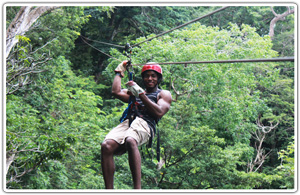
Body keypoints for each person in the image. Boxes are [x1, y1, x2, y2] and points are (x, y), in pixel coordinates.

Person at [101, 60, 172, 189]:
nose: (150, 78)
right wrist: (119, 72)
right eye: (146, 76)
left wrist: (140, 93)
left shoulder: (163, 94)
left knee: (130, 140)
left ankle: (137, 189)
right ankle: (109, 190)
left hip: (146, 124)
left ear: (158, 79)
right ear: (143, 78)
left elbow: (159, 112)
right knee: (106, 146)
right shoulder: (135, 93)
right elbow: (116, 92)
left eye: (153, 76)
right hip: (129, 122)